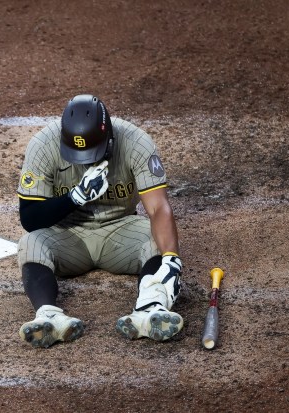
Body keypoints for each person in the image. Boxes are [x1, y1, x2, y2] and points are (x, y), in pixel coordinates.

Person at [16, 94, 183, 348]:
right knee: (31, 243)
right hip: (68, 235)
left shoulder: (135, 142)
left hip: (120, 230)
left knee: (155, 239)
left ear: (110, 137)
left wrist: (171, 258)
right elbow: (29, 218)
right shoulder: (43, 145)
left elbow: (158, 208)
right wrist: (74, 198)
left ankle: (151, 308)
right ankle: (48, 316)